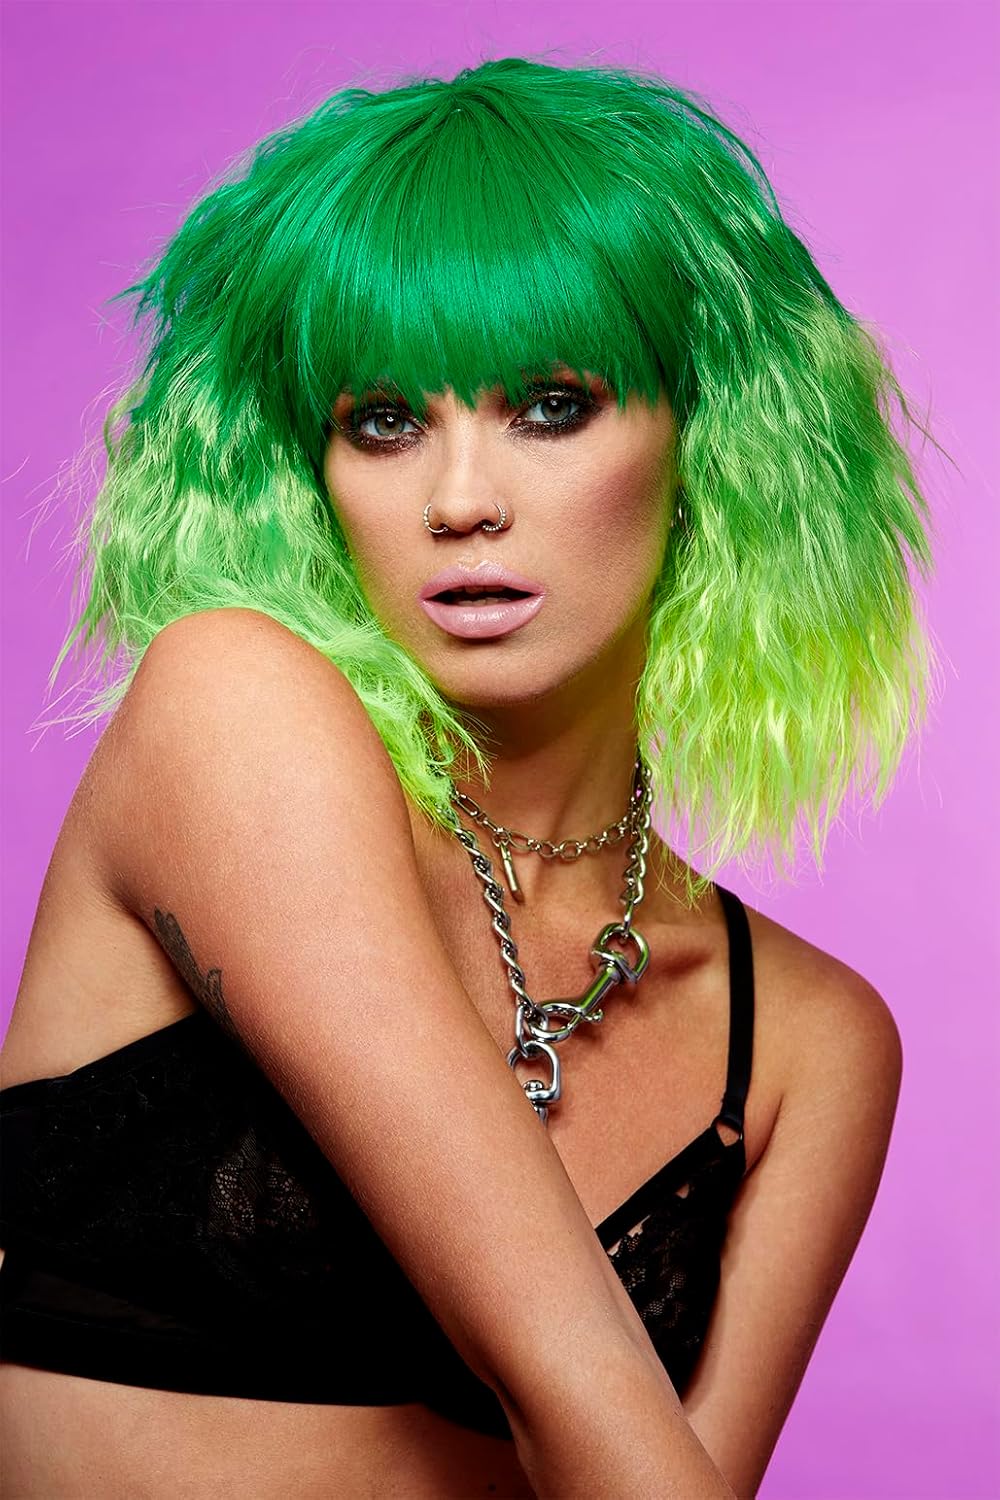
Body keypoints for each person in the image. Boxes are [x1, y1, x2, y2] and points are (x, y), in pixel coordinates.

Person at [0, 53, 940, 1498]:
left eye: (551, 406)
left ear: (713, 447)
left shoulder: (809, 1046)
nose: (459, 501)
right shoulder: (230, 710)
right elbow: (580, 1403)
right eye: (384, 423)